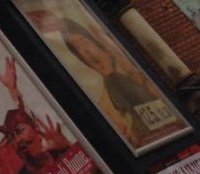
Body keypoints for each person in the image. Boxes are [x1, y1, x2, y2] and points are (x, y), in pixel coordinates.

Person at [59, 17, 170, 147]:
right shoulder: (105, 104)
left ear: (97, 43)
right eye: (78, 48)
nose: (85, 51)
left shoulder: (135, 71)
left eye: (83, 41)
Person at [0, 109, 97, 174]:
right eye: (11, 137)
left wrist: (68, 148)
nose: (17, 140)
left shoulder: (60, 151)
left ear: (35, 128)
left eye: (20, 131)